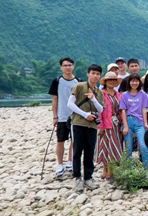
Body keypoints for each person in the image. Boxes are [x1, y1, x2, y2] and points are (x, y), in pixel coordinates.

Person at [67, 64, 105, 192]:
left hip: (92, 125)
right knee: (77, 151)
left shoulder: (99, 92)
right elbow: (70, 104)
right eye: (93, 73)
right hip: (78, 123)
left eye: (97, 74)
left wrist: (93, 99)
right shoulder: (79, 86)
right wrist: (85, 114)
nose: (95, 76)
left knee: (90, 152)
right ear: (88, 74)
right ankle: (77, 177)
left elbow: (100, 109)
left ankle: (88, 177)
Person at [48, 57, 78, 178]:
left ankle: (70, 161)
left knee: (74, 140)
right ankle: (60, 164)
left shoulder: (78, 81)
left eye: (70, 65)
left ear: (73, 67)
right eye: (65, 65)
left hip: (75, 116)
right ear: (61, 68)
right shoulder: (57, 81)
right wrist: (54, 116)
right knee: (60, 141)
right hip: (61, 116)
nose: (67, 67)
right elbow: (54, 99)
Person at [119, 73, 148, 171]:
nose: (134, 83)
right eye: (132, 81)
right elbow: (123, 111)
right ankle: (128, 170)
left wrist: (145, 124)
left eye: (136, 81)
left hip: (139, 122)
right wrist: (125, 126)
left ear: (139, 82)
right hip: (128, 120)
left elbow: (144, 110)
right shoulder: (124, 95)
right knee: (128, 147)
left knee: (143, 146)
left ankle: (147, 169)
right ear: (129, 82)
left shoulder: (143, 95)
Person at [97, 71, 123, 180]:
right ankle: (106, 171)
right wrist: (100, 126)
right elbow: (99, 111)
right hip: (106, 123)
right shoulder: (101, 94)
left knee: (114, 146)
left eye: (114, 80)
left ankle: (109, 170)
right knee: (106, 147)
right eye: (109, 80)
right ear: (105, 82)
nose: (112, 82)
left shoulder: (118, 94)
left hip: (116, 124)